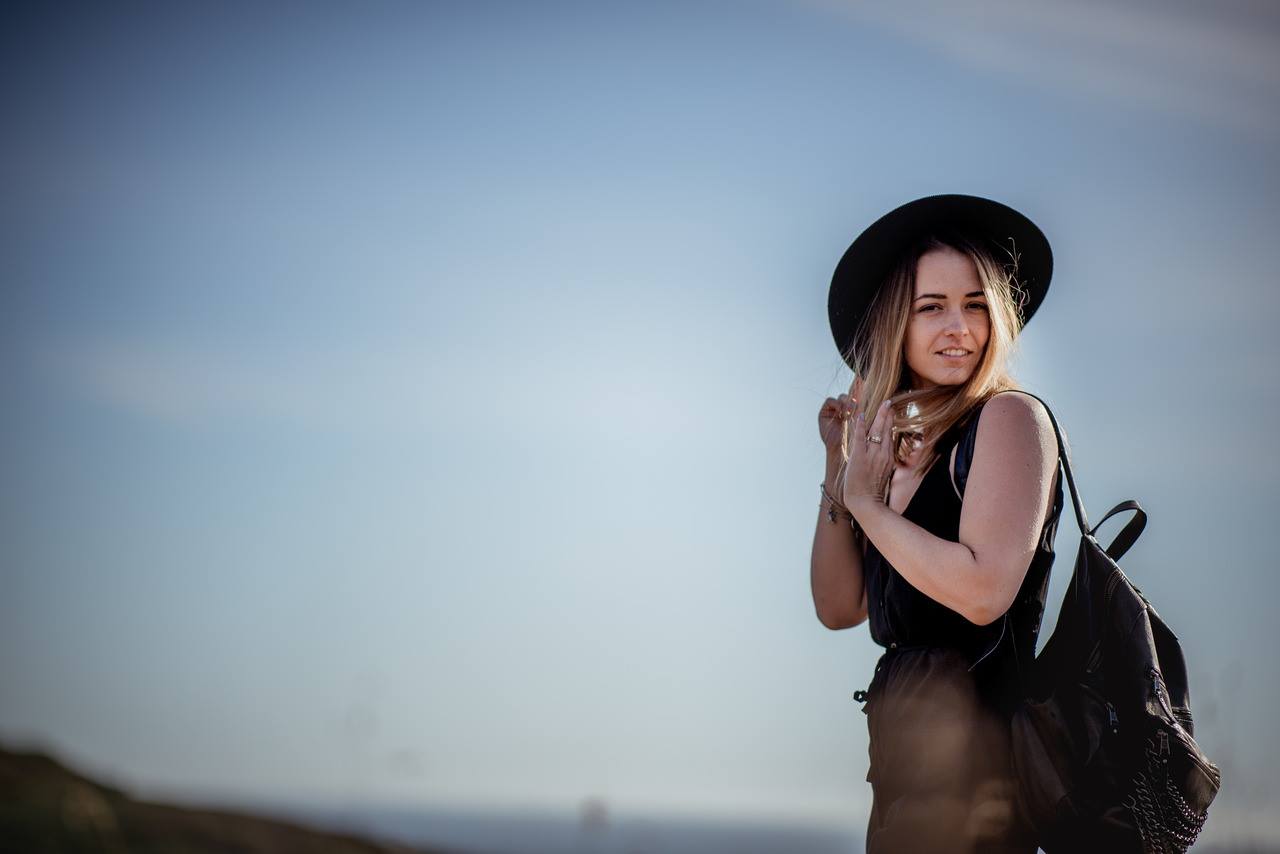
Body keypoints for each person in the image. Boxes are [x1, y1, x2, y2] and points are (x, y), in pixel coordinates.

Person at [810, 195, 1065, 854]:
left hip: (980, 786)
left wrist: (868, 507)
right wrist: (840, 469)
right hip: (903, 781)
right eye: (932, 307)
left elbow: (982, 593)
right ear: (895, 323)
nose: (959, 327)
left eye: (975, 305)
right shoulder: (893, 456)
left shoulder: (1010, 419)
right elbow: (839, 607)